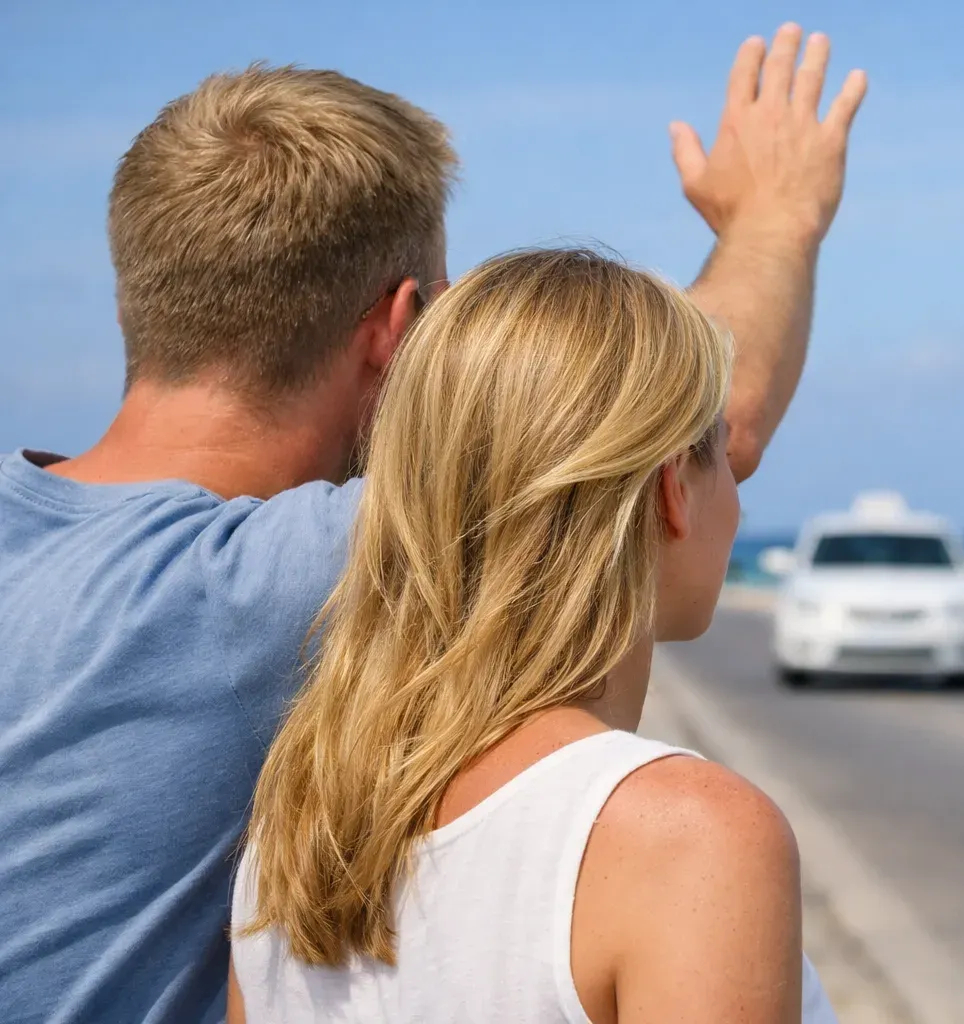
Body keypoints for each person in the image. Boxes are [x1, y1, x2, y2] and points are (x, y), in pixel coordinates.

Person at [0, 26, 864, 1024]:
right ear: (401, 331)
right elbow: (658, 433)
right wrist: (775, 221)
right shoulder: (251, 585)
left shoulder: (285, 838)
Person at [230, 246, 831, 1023]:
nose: (737, 500)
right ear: (673, 490)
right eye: (724, 457)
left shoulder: (298, 823)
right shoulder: (689, 836)